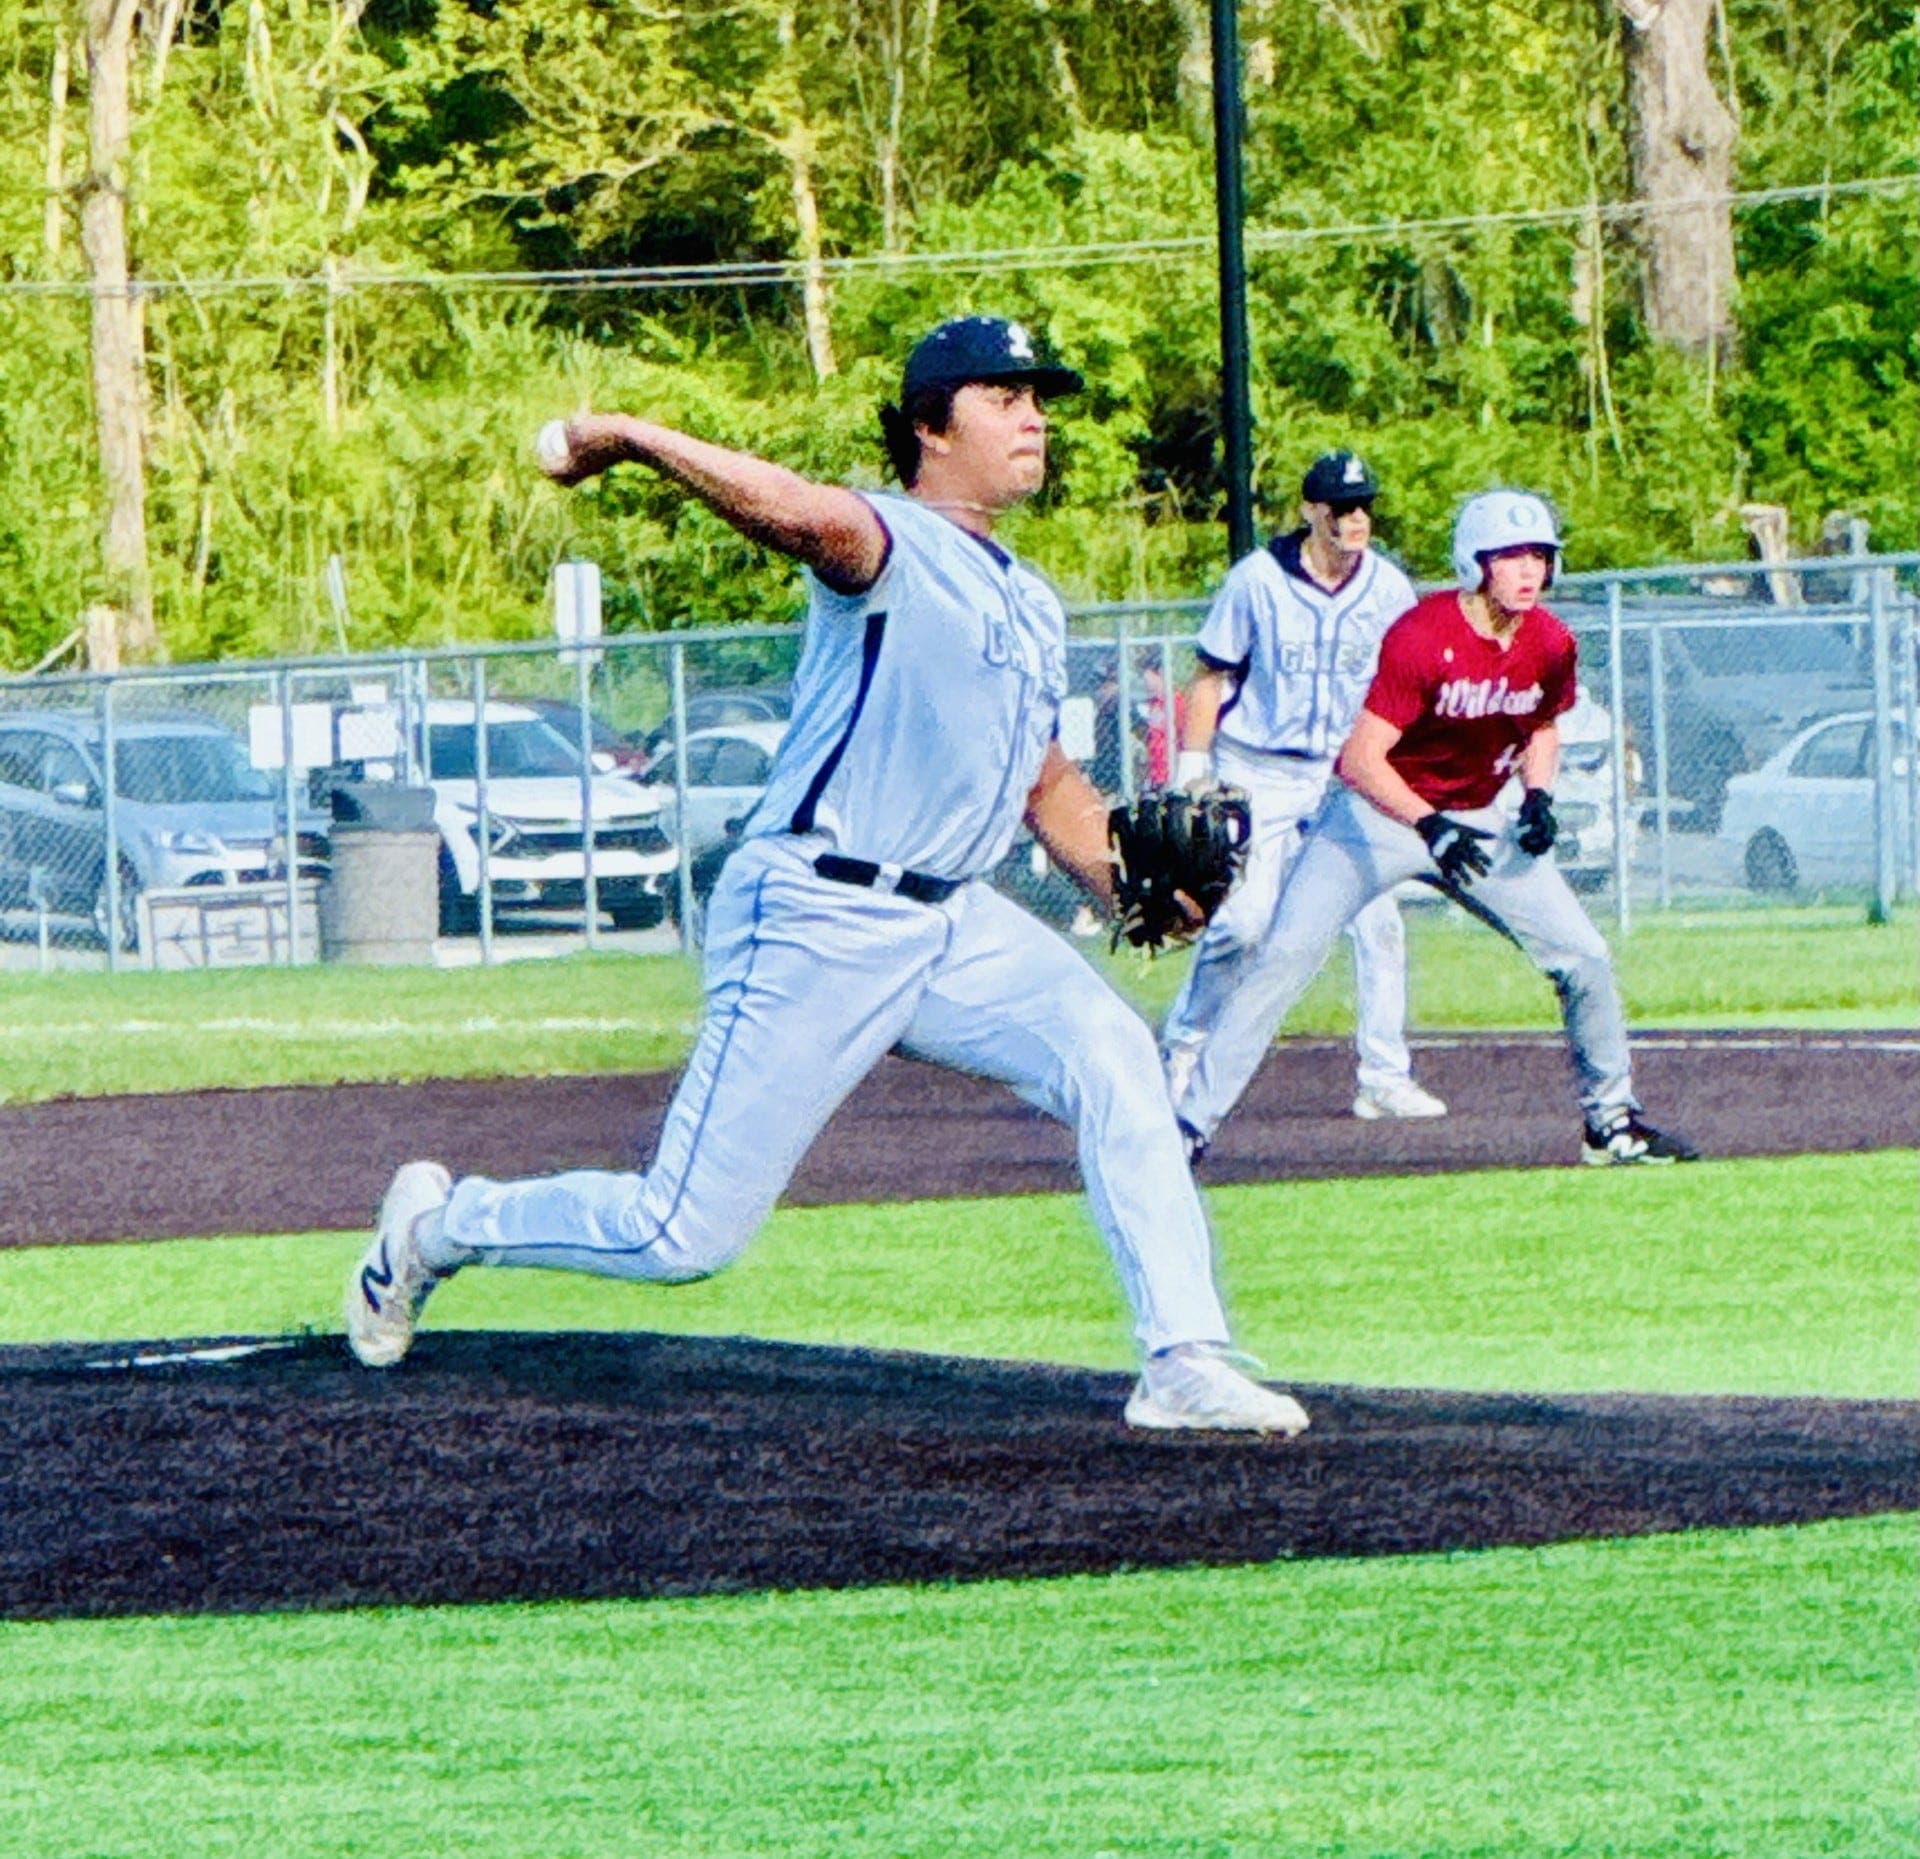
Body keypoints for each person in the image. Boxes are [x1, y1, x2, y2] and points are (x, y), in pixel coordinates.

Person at [345, 314, 1308, 1436]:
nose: (1034, 413)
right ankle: (436, 1228)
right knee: (681, 1233)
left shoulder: (1029, 599)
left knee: (1117, 1062)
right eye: (1003, 395)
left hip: (953, 919)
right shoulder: (887, 541)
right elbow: (794, 509)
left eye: (1037, 394)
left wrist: (1129, 884)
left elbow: (1047, 784)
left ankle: (1183, 1359)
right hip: (819, 910)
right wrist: (633, 436)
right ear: (926, 428)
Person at [1168, 489, 1698, 1169]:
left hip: (1478, 817)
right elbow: (1359, 759)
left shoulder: (1550, 641)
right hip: (1379, 815)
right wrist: (1428, 823)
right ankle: (1187, 1126)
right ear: (1475, 564)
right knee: (1282, 957)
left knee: (1583, 955)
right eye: (1510, 556)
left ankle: (1612, 1122)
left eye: (1539, 554)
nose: (1529, 569)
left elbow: (1540, 724)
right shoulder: (1422, 635)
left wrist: (1537, 795)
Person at [1161, 450, 1446, 1145]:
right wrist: (1193, 773)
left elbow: (1410, 684)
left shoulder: (1386, 587)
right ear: (1310, 512)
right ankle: (1186, 1046)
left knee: (1379, 921)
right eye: (1341, 508)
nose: (1356, 520)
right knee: (1243, 923)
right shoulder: (1258, 580)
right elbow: (1210, 676)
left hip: (1346, 770)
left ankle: (1383, 1076)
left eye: (1363, 507)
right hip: (1256, 768)